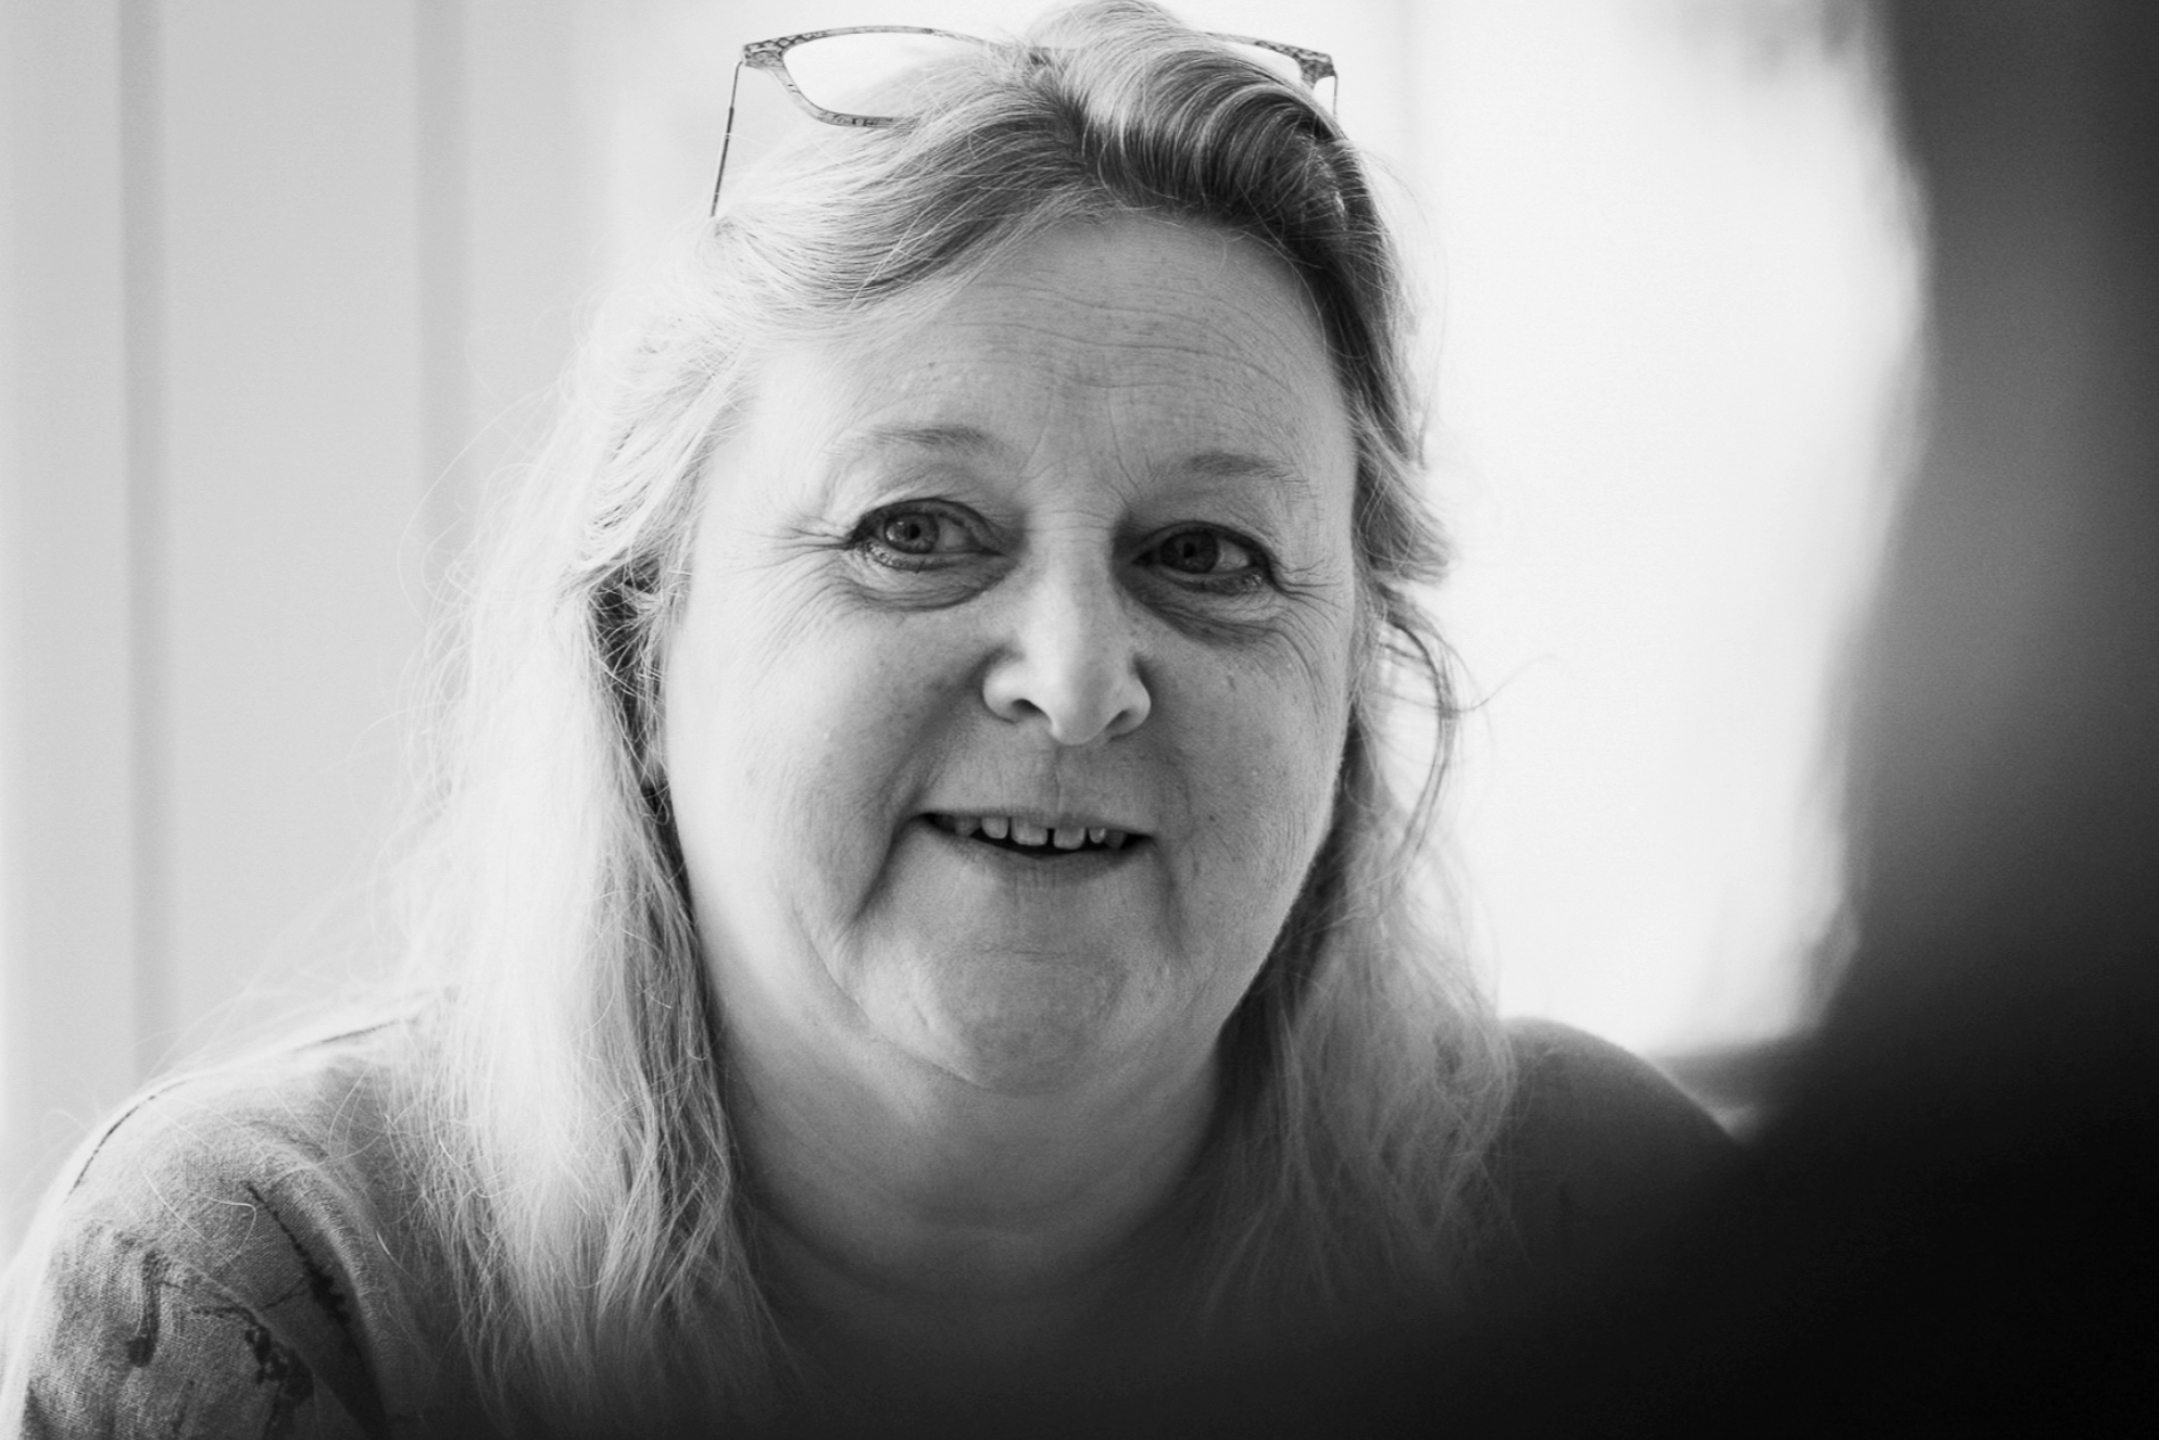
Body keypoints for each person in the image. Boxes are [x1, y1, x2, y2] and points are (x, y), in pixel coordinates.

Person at [0, 4, 1727, 1435]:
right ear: (645, 651)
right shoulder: (271, 1287)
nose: (1075, 676)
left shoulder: (1609, 1235)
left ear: (1351, 683)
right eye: (916, 532)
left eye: (1206, 555)